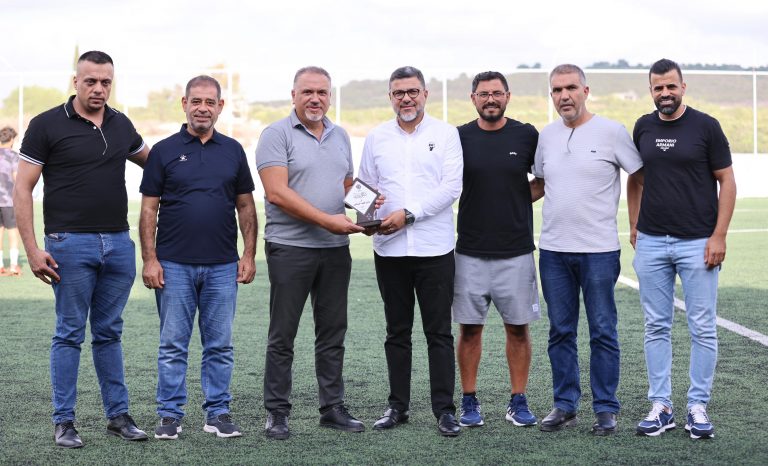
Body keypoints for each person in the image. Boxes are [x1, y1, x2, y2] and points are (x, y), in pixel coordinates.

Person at [13, 50, 149, 448]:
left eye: (106, 82)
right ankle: (64, 422)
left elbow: (156, 164)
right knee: (69, 333)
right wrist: (32, 249)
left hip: (118, 244)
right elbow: (22, 189)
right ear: (76, 82)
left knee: (109, 333)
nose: (99, 89)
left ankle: (118, 416)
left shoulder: (121, 124)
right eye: (91, 81)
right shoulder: (46, 124)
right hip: (68, 245)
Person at [139, 75, 257, 440]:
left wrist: (248, 254)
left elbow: (246, 206)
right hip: (173, 265)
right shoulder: (163, 151)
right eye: (196, 101)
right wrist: (150, 259)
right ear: (185, 104)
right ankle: (169, 415)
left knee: (219, 345)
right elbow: (148, 210)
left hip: (223, 265)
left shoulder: (233, 150)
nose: (202, 108)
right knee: (172, 345)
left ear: (220, 106)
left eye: (209, 102)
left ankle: (217, 413)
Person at [531, 64, 643, 436]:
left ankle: (606, 408)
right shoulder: (546, 136)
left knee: (603, 331)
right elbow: (539, 184)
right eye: (556, 90)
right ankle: (565, 405)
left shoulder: (612, 132)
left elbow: (640, 176)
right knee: (560, 331)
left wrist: (636, 222)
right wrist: (495, 201)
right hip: (553, 252)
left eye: (570, 88)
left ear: (585, 90)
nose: (564, 96)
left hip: (599, 251)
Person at [255, 66, 366, 440]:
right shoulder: (276, 134)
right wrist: (328, 221)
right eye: (307, 92)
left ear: (330, 96)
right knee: (282, 335)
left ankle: (332, 408)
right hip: (290, 248)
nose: (315, 99)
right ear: (294, 95)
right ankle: (277, 412)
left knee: (332, 332)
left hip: (335, 250)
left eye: (322, 92)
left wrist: (370, 207)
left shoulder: (340, 135)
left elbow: (346, 185)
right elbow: (277, 193)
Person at [631, 58, 736, 440]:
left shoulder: (706, 126)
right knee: (655, 325)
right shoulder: (643, 127)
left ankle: (697, 406)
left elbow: (727, 181)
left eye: (671, 86)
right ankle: (661, 406)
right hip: (652, 242)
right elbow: (636, 179)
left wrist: (719, 235)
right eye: (658, 87)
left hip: (698, 243)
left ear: (683, 87)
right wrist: (634, 226)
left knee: (702, 326)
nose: (665, 93)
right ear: (651, 90)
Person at [359, 66, 464, 437]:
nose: (406, 98)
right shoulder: (376, 137)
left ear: (425, 94)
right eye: (399, 92)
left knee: (439, 333)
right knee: (397, 333)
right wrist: (366, 217)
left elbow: (451, 187)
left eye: (412, 91)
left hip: (435, 249)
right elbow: (364, 188)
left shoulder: (445, 134)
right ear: (390, 97)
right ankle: (397, 407)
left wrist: (408, 214)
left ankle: (445, 410)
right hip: (389, 250)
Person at [453, 71, 540, 428]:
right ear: (473, 98)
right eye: (484, 94)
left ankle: (518, 400)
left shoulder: (526, 134)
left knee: (518, 329)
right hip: (469, 251)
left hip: (516, 251)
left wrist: (514, 200)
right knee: (470, 330)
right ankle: (468, 400)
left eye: (497, 93)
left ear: (508, 96)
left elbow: (543, 180)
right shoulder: (459, 137)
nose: (491, 99)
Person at [0, 126, 21, 276]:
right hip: (8, 200)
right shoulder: (14, 156)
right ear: (12, 139)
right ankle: (13, 266)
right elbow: (16, 178)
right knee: (13, 231)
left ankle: (0, 265)